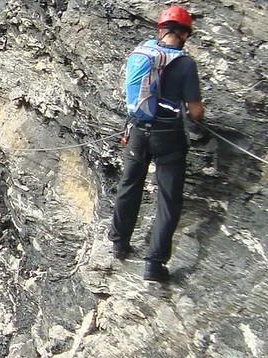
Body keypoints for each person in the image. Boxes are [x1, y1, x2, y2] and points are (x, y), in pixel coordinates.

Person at [108, 5, 205, 282]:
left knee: (129, 184)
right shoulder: (185, 64)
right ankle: (154, 264)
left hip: (138, 131)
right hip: (168, 136)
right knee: (168, 198)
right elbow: (195, 111)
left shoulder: (144, 54)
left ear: (160, 30)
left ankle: (119, 244)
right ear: (186, 34)